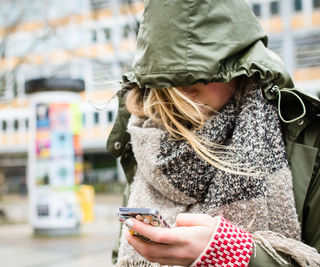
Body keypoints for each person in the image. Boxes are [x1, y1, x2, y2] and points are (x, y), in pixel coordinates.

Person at [106, 0, 320, 266]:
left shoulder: (305, 138)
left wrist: (238, 256)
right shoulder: (146, 139)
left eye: (202, 70)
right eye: (172, 73)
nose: (184, 84)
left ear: (240, 64)